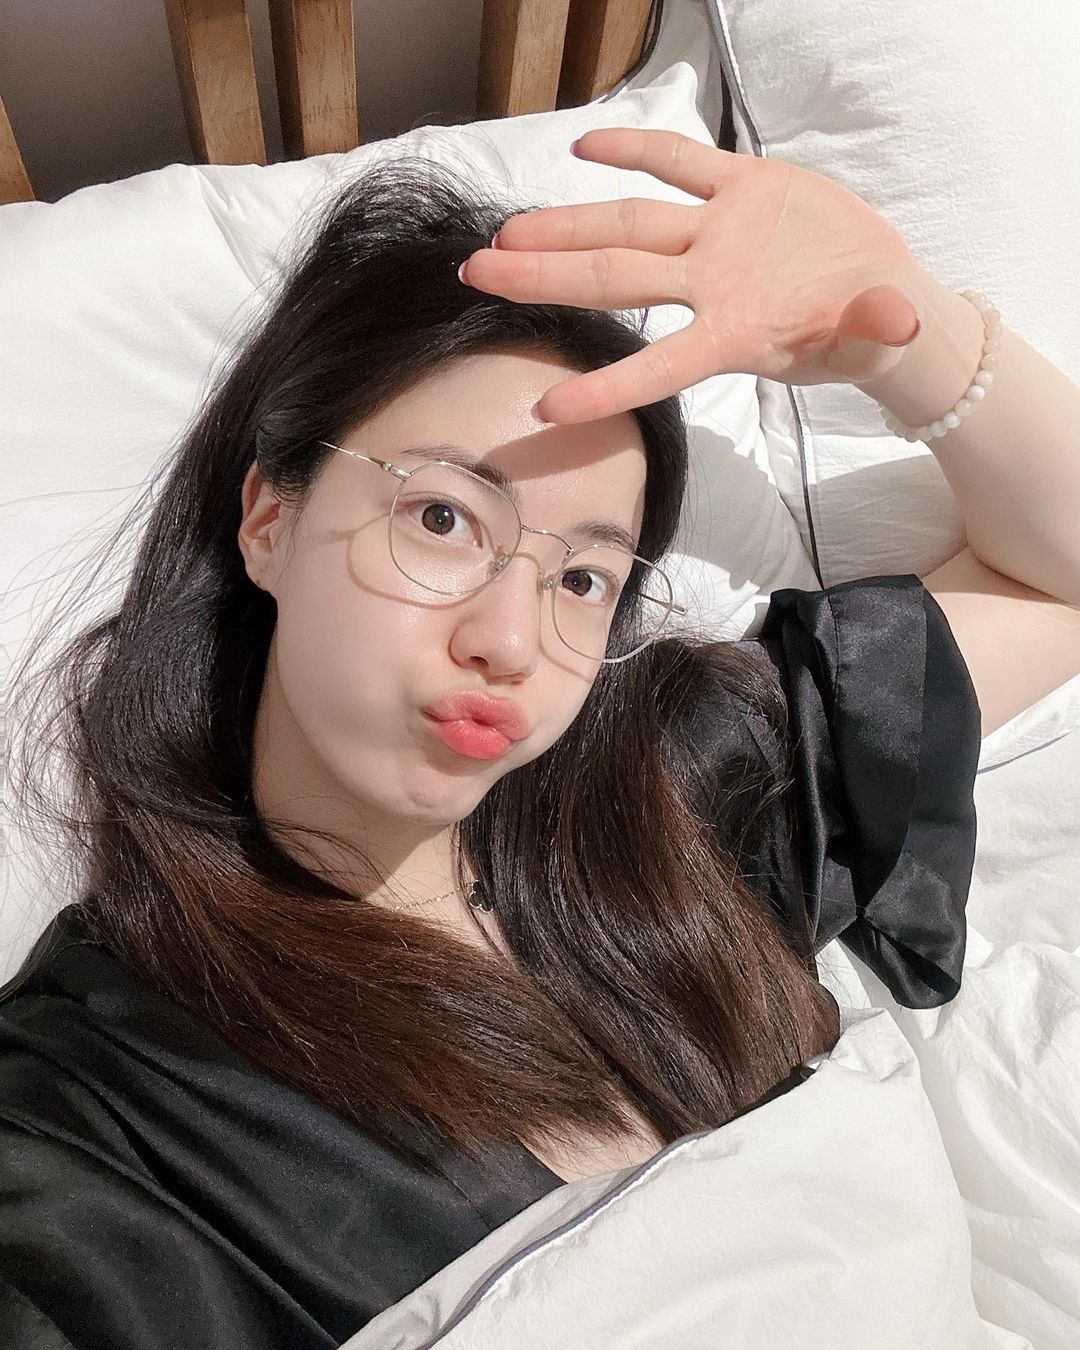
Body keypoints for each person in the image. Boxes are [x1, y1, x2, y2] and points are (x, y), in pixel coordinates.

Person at [2, 129, 1078, 1349]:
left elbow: (1060, 581)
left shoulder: (667, 799)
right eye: (444, 518)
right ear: (268, 521)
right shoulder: (93, 1114)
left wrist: (905, 335)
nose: (511, 641)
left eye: (583, 580)